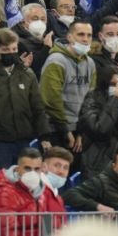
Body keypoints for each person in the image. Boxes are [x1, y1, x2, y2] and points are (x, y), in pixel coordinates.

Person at [0, 28, 52, 170]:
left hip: (23, 139)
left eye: (14, 48)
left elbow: (37, 106)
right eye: (5, 50)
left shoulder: (27, 74)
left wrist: (44, 135)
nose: (11, 53)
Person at [41, 20, 97, 154]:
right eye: (81, 35)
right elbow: (52, 100)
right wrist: (66, 131)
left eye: (89, 35)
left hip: (81, 130)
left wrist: (81, 132)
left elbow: (90, 100)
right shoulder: (56, 61)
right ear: (70, 37)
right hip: (55, 129)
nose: (85, 39)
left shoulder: (91, 63)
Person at [0, 147, 66, 236]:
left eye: (36, 169)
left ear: (42, 168)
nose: (32, 173)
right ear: (17, 169)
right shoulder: (4, 194)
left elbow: (49, 229)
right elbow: (7, 232)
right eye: (27, 169)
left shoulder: (43, 192)